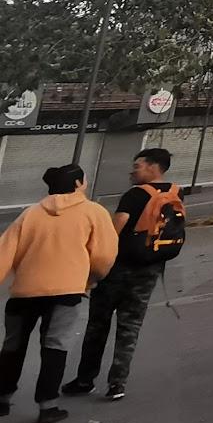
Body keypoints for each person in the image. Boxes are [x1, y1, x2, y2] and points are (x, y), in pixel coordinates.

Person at [0, 164, 118, 423]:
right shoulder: (93, 212)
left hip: (24, 292)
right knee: (55, 346)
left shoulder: (29, 214)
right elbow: (104, 255)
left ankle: (2, 399)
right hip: (67, 291)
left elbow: (4, 251)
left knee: (12, 346)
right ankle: (47, 406)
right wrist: (92, 278)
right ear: (78, 184)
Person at [64, 149, 182, 402]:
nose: (133, 170)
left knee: (98, 324)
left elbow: (113, 231)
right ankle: (118, 383)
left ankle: (85, 379)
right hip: (150, 269)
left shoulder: (135, 194)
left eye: (138, 165)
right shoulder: (175, 192)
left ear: (153, 167)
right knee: (130, 326)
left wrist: (92, 267)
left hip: (117, 270)